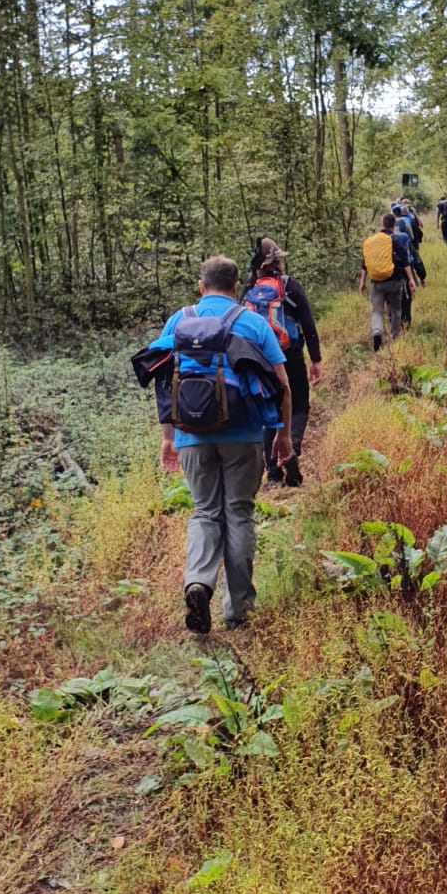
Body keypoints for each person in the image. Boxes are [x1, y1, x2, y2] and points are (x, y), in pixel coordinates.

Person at [148, 256, 291, 633]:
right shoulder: (252, 322)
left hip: (191, 437)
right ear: (236, 286)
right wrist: (283, 435)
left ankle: (198, 582)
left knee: (205, 512)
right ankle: (238, 610)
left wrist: (168, 438)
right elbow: (282, 384)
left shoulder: (179, 320)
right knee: (239, 513)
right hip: (244, 435)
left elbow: (163, 380)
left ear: (201, 286)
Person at [244, 237, 322, 485]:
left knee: (269, 411)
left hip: (260, 360)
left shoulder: (249, 290)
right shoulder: (289, 286)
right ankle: (291, 450)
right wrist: (316, 360)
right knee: (299, 406)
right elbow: (307, 323)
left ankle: (273, 473)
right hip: (290, 356)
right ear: (277, 261)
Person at [359, 211, 417, 349]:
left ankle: (377, 332)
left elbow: (365, 263)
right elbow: (405, 261)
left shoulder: (372, 241)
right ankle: (394, 337)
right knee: (396, 309)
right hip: (394, 281)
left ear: (382, 224)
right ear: (393, 225)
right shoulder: (395, 239)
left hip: (376, 282)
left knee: (377, 311)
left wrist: (362, 282)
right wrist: (411, 279)